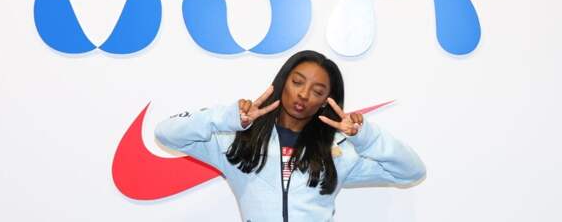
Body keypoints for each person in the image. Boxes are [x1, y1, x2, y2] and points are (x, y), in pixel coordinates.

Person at [154, 50, 426, 221]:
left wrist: (366, 136)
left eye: (318, 91)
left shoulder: (339, 152)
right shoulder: (238, 143)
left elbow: (411, 171)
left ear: (325, 101)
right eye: (297, 82)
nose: (304, 94)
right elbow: (166, 134)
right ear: (283, 82)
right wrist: (226, 118)